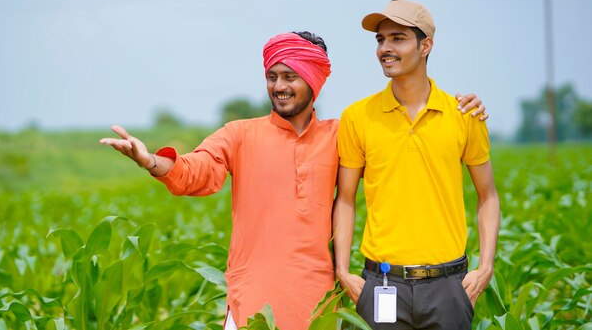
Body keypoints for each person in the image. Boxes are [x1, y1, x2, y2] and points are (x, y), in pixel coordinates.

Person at [100, 31, 487, 330]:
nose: (279, 86)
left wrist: (460, 108)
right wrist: (152, 161)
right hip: (250, 303)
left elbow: (406, 152)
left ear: (314, 81)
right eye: (272, 76)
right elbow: (195, 171)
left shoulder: (342, 134)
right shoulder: (239, 134)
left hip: (318, 305)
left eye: (290, 76)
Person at [333, 0, 501, 329]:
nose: (385, 48)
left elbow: (488, 196)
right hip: (381, 285)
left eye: (398, 38)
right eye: (380, 39)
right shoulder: (357, 117)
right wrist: (343, 272)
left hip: (449, 286)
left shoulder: (463, 114)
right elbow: (346, 199)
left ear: (426, 46)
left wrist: (486, 268)